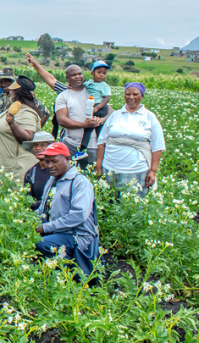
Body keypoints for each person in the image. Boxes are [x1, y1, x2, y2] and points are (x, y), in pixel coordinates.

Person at [25, 53, 108, 163]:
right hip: (70, 143)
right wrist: (34, 63)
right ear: (67, 78)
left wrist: (101, 120)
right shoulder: (64, 93)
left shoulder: (92, 90)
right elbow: (50, 79)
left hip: (94, 144)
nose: (78, 77)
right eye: (74, 75)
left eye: (80, 74)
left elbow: (109, 110)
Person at [35, 142, 100, 277]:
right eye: (47, 162)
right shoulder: (52, 180)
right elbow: (42, 209)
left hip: (76, 235)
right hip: (58, 232)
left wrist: (46, 227)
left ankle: (66, 272)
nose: (50, 166)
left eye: (54, 161)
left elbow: (78, 215)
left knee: (42, 243)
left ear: (67, 159)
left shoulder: (80, 182)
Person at [96, 82, 165, 198]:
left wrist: (153, 171)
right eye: (127, 94)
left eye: (135, 94)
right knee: (108, 203)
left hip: (137, 170)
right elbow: (101, 142)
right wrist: (99, 165)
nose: (131, 97)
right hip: (110, 168)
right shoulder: (115, 115)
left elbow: (157, 146)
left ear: (142, 96)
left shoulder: (149, 117)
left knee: (131, 206)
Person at [77, 60, 111, 160]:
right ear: (92, 73)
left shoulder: (104, 86)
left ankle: (83, 150)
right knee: (94, 130)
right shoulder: (90, 83)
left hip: (100, 108)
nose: (102, 75)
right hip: (91, 107)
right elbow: (82, 85)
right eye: (99, 72)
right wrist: (70, 86)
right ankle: (85, 150)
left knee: (92, 129)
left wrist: (97, 107)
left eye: (104, 73)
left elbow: (106, 98)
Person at [22, 131, 55, 208]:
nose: (38, 148)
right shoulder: (30, 173)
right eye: (35, 145)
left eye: (42, 145)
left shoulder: (58, 170)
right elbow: (28, 199)